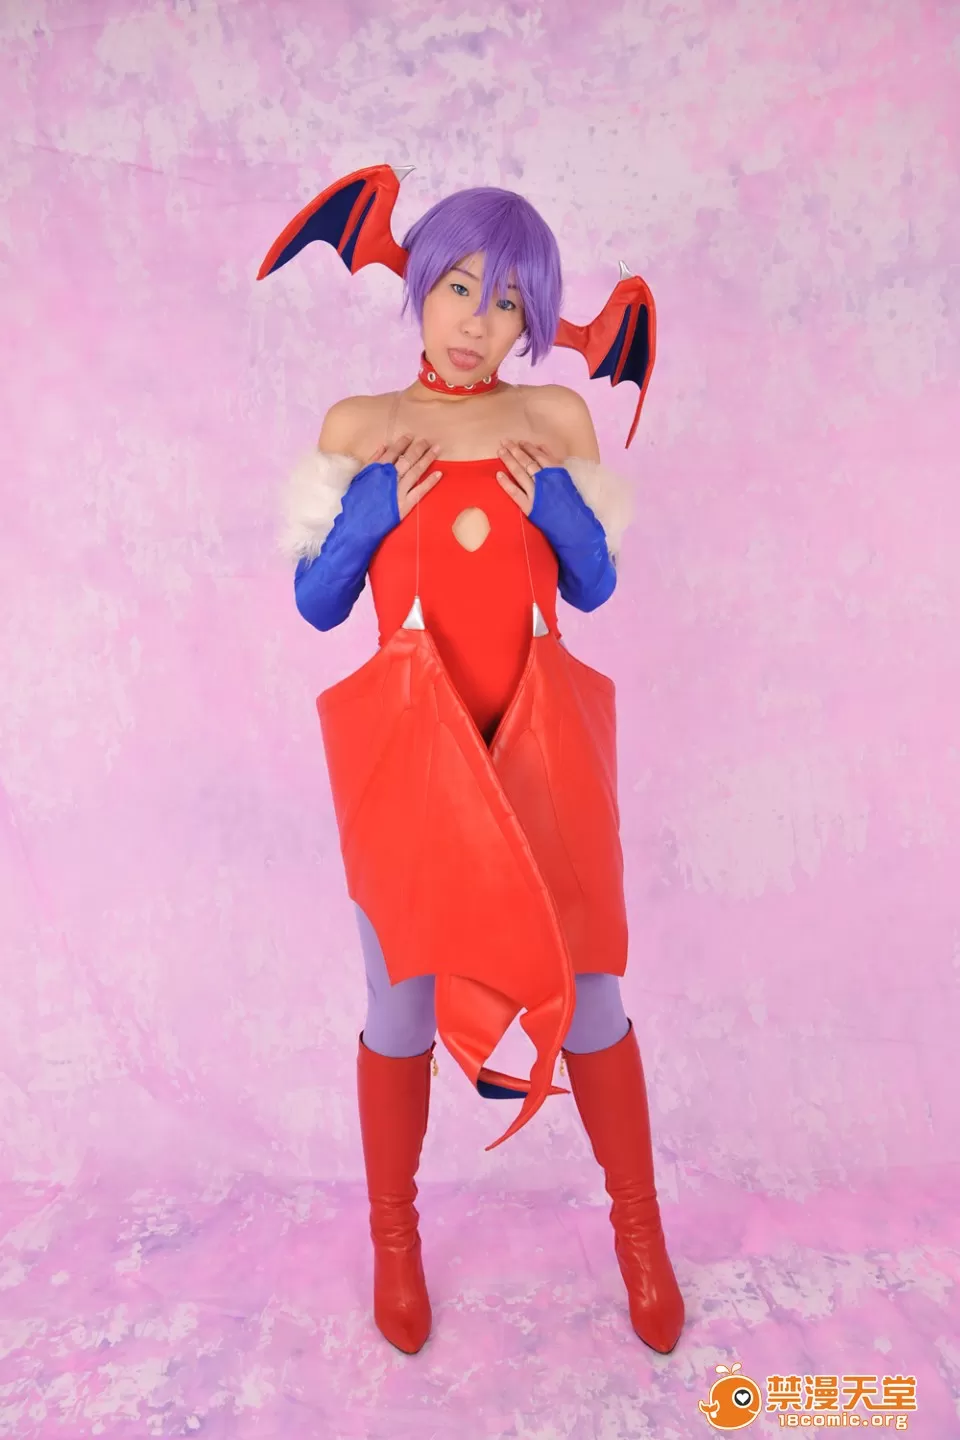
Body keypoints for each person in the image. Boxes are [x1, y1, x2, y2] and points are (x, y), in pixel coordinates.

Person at [276, 184, 684, 1357]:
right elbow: (317, 604)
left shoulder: (552, 418)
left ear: (533, 321)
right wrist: (367, 514)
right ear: (420, 283)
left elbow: (593, 586)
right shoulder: (362, 424)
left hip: (540, 756)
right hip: (410, 761)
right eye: (459, 288)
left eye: (507, 304)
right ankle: (394, 1244)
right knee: (398, 1003)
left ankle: (641, 1237)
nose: (476, 320)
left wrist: (556, 503)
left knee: (592, 996)